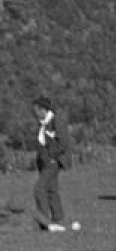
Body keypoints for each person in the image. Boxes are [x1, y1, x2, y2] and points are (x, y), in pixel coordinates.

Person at [32, 97, 78, 232]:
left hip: (54, 161)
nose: (34, 113)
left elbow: (63, 143)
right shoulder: (42, 123)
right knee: (52, 190)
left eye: (36, 110)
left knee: (39, 188)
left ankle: (45, 222)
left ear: (44, 109)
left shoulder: (57, 120)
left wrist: (51, 156)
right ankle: (58, 219)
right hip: (44, 162)